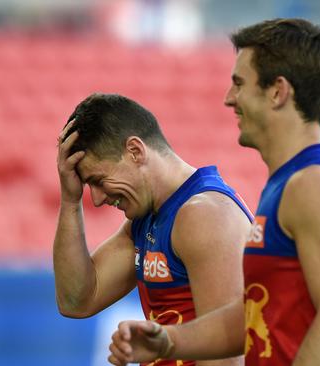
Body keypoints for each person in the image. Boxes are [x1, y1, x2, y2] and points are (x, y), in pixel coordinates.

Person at [108, 18, 320, 366]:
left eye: (239, 83)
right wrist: (170, 341)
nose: (229, 98)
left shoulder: (314, 185)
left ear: (278, 91)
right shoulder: (300, 181)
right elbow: (256, 317)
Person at [54, 93, 253, 366]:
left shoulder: (205, 215)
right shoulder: (146, 222)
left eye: (98, 180)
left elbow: (228, 359)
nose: (97, 199)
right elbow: (76, 300)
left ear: (135, 151)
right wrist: (69, 200)